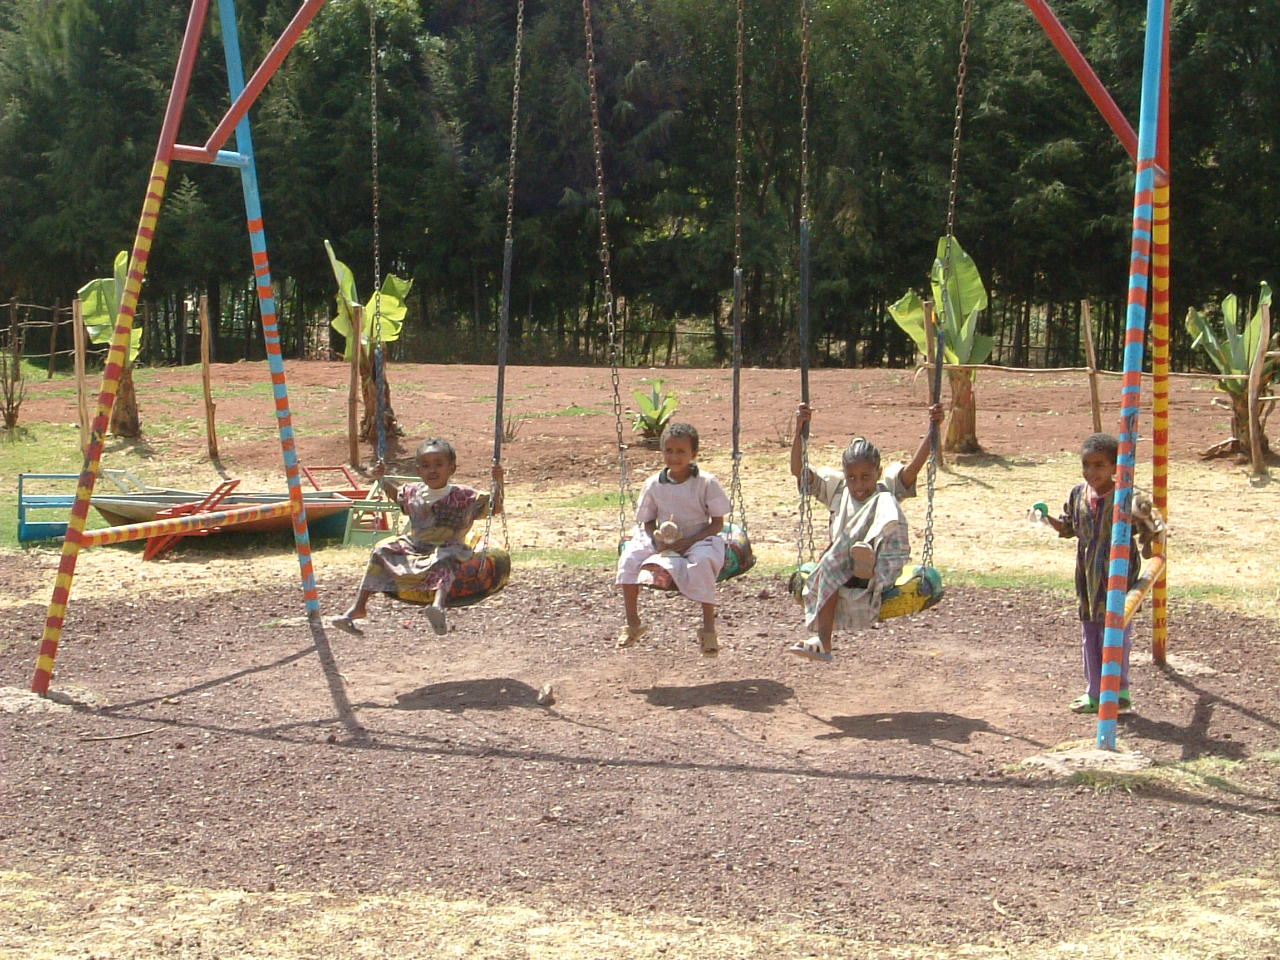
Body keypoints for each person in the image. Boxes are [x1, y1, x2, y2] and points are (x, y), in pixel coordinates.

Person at [787, 401, 944, 662]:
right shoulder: (836, 489)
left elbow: (913, 468)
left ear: (878, 473)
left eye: (866, 477)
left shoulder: (886, 488)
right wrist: (799, 431)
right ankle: (823, 642)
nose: (859, 485)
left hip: (880, 569)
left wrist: (934, 429)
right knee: (832, 559)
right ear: (844, 475)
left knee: (884, 500)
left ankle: (867, 558)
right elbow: (798, 471)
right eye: (852, 478)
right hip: (842, 569)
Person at [333, 439, 502, 636]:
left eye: (439, 464)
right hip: (416, 546)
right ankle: (358, 607)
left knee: (444, 556)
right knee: (381, 550)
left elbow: (494, 508)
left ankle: (437, 606)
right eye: (426, 465)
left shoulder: (465, 496)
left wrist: (498, 482)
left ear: (452, 468)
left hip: (450, 546)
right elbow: (398, 498)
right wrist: (381, 479)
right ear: (418, 470)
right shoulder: (413, 492)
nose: (432, 470)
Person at [1041, 433, 1140, 714]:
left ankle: (1119, 690)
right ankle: (1095, 691)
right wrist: (1045, 518)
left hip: (1117, 571)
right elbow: (1070, 528)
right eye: (1086, 465)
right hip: (1087, 574)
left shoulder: (1126, 496)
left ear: (1114, 467)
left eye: (1099, 465)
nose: (1091, 472)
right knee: (1091, 631)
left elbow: (1148, 525)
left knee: (1117, 631)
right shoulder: (1078, 494)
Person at [616, 421, 730, 656]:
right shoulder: (653, 484)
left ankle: (708, 629)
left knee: (702, 562)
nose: (674, 457)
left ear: (693, 454)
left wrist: (689, 541)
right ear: (662, 451)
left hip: (698, 536)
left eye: (681, 452)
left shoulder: (706, 483)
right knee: (629, 558)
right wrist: (656, 539)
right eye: (669, 450)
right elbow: (648, 520)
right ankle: (633, 623)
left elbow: (717, 523)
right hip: (662, 537)